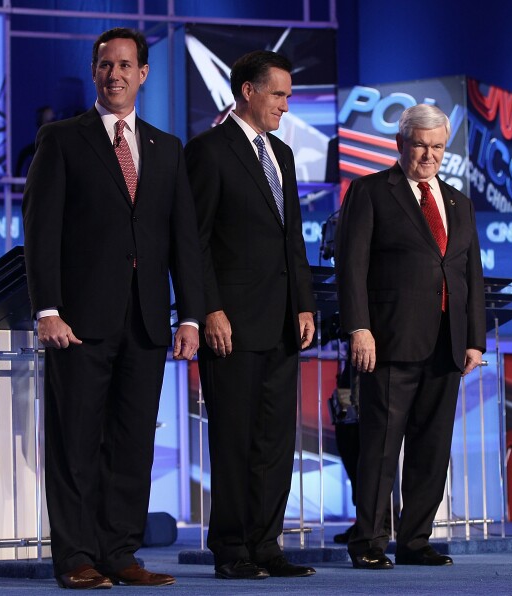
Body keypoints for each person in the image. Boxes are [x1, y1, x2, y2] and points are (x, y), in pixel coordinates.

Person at [22, 27, 203, 589]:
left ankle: (120, 553)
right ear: (95, 71)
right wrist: (47, 308)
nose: (115, 74)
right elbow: (41, 232)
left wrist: (191, 315)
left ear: (142, 74)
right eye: (105, 65)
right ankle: (76, 557)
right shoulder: (62, 139)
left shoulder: (165, 148)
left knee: (131, 442)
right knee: (76, 441)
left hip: (147, 320)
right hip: (78, 320)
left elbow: (183, 240)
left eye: (126, 65)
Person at [184, 50, 317, 580]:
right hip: (231, 325)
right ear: (248, 92)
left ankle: (267, 544)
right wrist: (208, 309)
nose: (286, 104)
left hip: (283, 321)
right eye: (279, 94)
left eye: (287, 94)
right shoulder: (209, 152)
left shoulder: (282, 154)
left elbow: (294, 239)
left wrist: (304, 303)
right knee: (235, 439)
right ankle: (232, 548)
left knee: (274, 440)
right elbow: (195, 242)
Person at [335, 103, 486, 570]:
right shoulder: (370, 192)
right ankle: (370, 542)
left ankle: (416, 539)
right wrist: (359, 328)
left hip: (447, 343)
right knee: (380, 447)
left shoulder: (459, 201)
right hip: (388, 340)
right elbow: (351, 266)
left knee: (432, 446)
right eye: (420, 145)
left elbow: (470, 275)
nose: (429, 155)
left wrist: (474, 340)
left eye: (438, 146)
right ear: (401, 144)